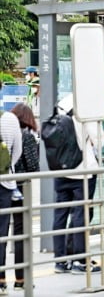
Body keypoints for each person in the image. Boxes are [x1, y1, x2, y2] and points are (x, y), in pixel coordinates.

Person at [51, 94, 103, 275]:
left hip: (61, 170)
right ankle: (80, 261)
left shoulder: (61, 106)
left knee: (60, 214)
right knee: (81, 215)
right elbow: (100, 142)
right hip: (83, 171)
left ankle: (60, 260)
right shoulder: (86, 109)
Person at [3, 104, 38, 291]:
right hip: (21, 187)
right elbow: (33, 165)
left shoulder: (7, 126)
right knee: (21, 234)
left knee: (2, 232)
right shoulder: (27, 136)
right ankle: (21, 278)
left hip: (6, 183)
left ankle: (1, 280)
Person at [0, 108, 22, 293]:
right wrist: (7, 169)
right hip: (4, 183)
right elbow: (18, 150)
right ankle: (0, 280)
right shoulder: (10, 119)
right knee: (1, 232)